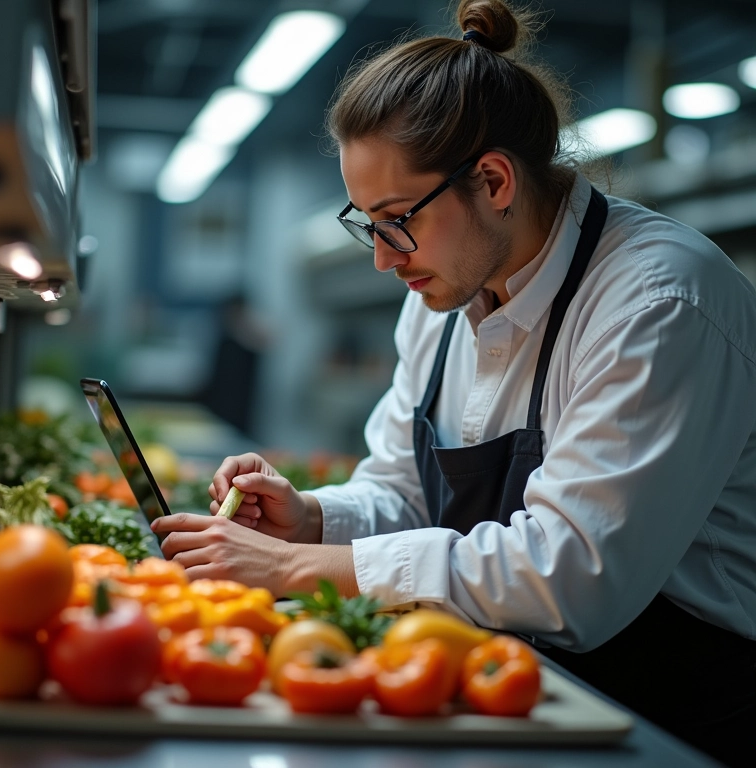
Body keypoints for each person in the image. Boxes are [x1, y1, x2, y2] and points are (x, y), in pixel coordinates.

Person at [151, 1, 756, 764]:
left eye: (397, 219)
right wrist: (309, 520)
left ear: (495, 180)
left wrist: (295, 568)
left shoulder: (658, 303)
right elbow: (405, 495)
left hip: (674, 719)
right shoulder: (440, 298)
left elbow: (570, 578)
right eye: (367, 223)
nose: (383, 257)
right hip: (527, 691)